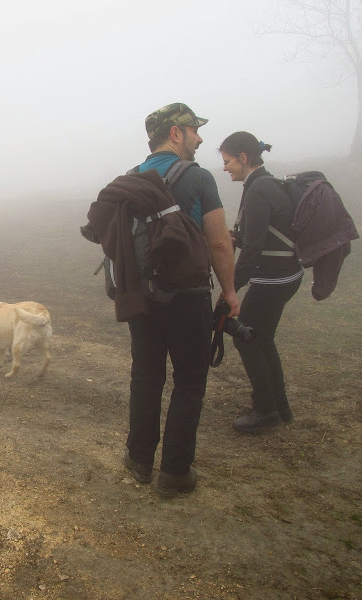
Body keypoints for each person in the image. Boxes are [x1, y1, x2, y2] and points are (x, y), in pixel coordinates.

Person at [122, 103, 239, 497]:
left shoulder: (132, 178)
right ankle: (174, 472)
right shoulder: (198, 177)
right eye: (194, 130)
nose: (200, 138)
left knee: (146, 375)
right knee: (189, 381)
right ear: (176, 133)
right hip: (187, 297)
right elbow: (220, 241)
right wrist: (229, 292)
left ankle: (138, 460)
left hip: (141, 295)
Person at [219, 131, 303, 433]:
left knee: (247, 337)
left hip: (272, 279)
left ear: (243, 158)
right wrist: (236, 238)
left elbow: (253, 248)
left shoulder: (258, 190)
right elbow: (261, 234)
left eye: (228, 161)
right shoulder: (266, 184)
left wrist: (230, 289)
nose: (225, 167)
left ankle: (266, 409)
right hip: (286, 275)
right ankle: (279, 405)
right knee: (261, 338)